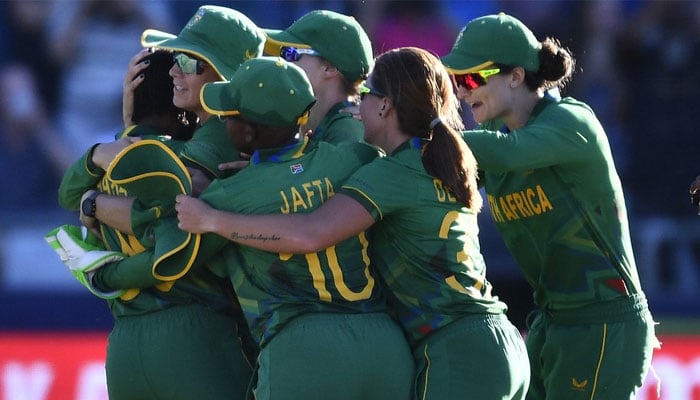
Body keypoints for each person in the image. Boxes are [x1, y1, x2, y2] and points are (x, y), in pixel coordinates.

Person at [176, 47, 530, 400]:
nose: (355, 107)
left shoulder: (390, 172)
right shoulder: (434, 157)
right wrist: (272, 173)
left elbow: (310, 233)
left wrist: (214, 219)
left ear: (385, 105)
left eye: (364, 95)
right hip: (498, 339)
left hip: (455, 349)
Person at [50, 6, 266, 399]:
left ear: (226, 74)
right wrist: (123, 135)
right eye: (174, 59)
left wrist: (95, 206)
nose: (173, 71)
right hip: (194, 343)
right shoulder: (178, 141)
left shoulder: (219, 140)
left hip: (151, 342)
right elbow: (71, 193)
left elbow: (167, 228)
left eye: (188, 61)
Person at [440, 13, 659, 399]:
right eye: (456, 80)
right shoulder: (490, 135)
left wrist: (426, 131)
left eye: (472, 78)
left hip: (603, 321)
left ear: (515, 76)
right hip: (551, 321)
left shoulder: (572, 122)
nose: (461, 90)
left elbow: (509, 153)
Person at [263, 9, 372, 144]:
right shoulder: (320, 122)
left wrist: (262, 165)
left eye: (289, 54)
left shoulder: (348, 131)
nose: (280, 63)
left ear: (329, 68)